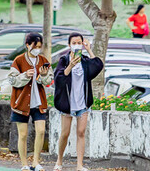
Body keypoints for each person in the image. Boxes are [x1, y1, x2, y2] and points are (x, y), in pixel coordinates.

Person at [53, 33, 104, 171]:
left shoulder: (85, 61)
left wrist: (89, 50)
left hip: (83, 103)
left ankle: (80, 165)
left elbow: (98, 66)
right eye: (74, 43)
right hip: (67, 103)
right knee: (65, 133)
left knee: (81, 132)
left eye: (79, 42)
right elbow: (58, 79)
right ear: (69, 45)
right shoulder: (63, 60)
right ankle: (59, 161)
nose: (77, 45)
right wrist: (70, 66)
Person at [8, 32, 53, 171]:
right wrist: (25, 75)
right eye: (35, 46)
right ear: (28, 45)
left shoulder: (43, 60)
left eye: (40, 46)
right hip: (21, 103)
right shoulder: (19, 60)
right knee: (23, 134)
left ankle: (35, 162)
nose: (37, 49)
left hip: (38, 102)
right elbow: (12, 80)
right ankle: (24, 164)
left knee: (40, 131)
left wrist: (43, 76)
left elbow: (48, 80)